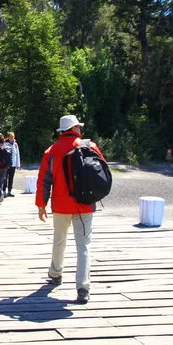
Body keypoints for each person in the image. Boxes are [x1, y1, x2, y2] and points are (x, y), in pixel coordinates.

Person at [36, 114, 106, 304]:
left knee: (59, 240)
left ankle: (56, 273)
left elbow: (44, 180)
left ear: (62, 131)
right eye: (78, 127)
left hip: (60, 204)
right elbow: (102, 169)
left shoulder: (51, 151)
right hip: (84, 204)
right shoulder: (89, 146)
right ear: (74, 128)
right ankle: (83, 288)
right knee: (83, 246)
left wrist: (41, 204)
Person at [3, 131, 21, 197]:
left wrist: (18, 165)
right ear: (8, 137)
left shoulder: (15, 144)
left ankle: (9, 191)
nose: (12, 138)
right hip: (7, 164)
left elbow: (17, 154)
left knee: (11, 178)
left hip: (13, 164)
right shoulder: (5, 144)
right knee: (5, 178)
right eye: (10, 137)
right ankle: (4, 191)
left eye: (13, 137)